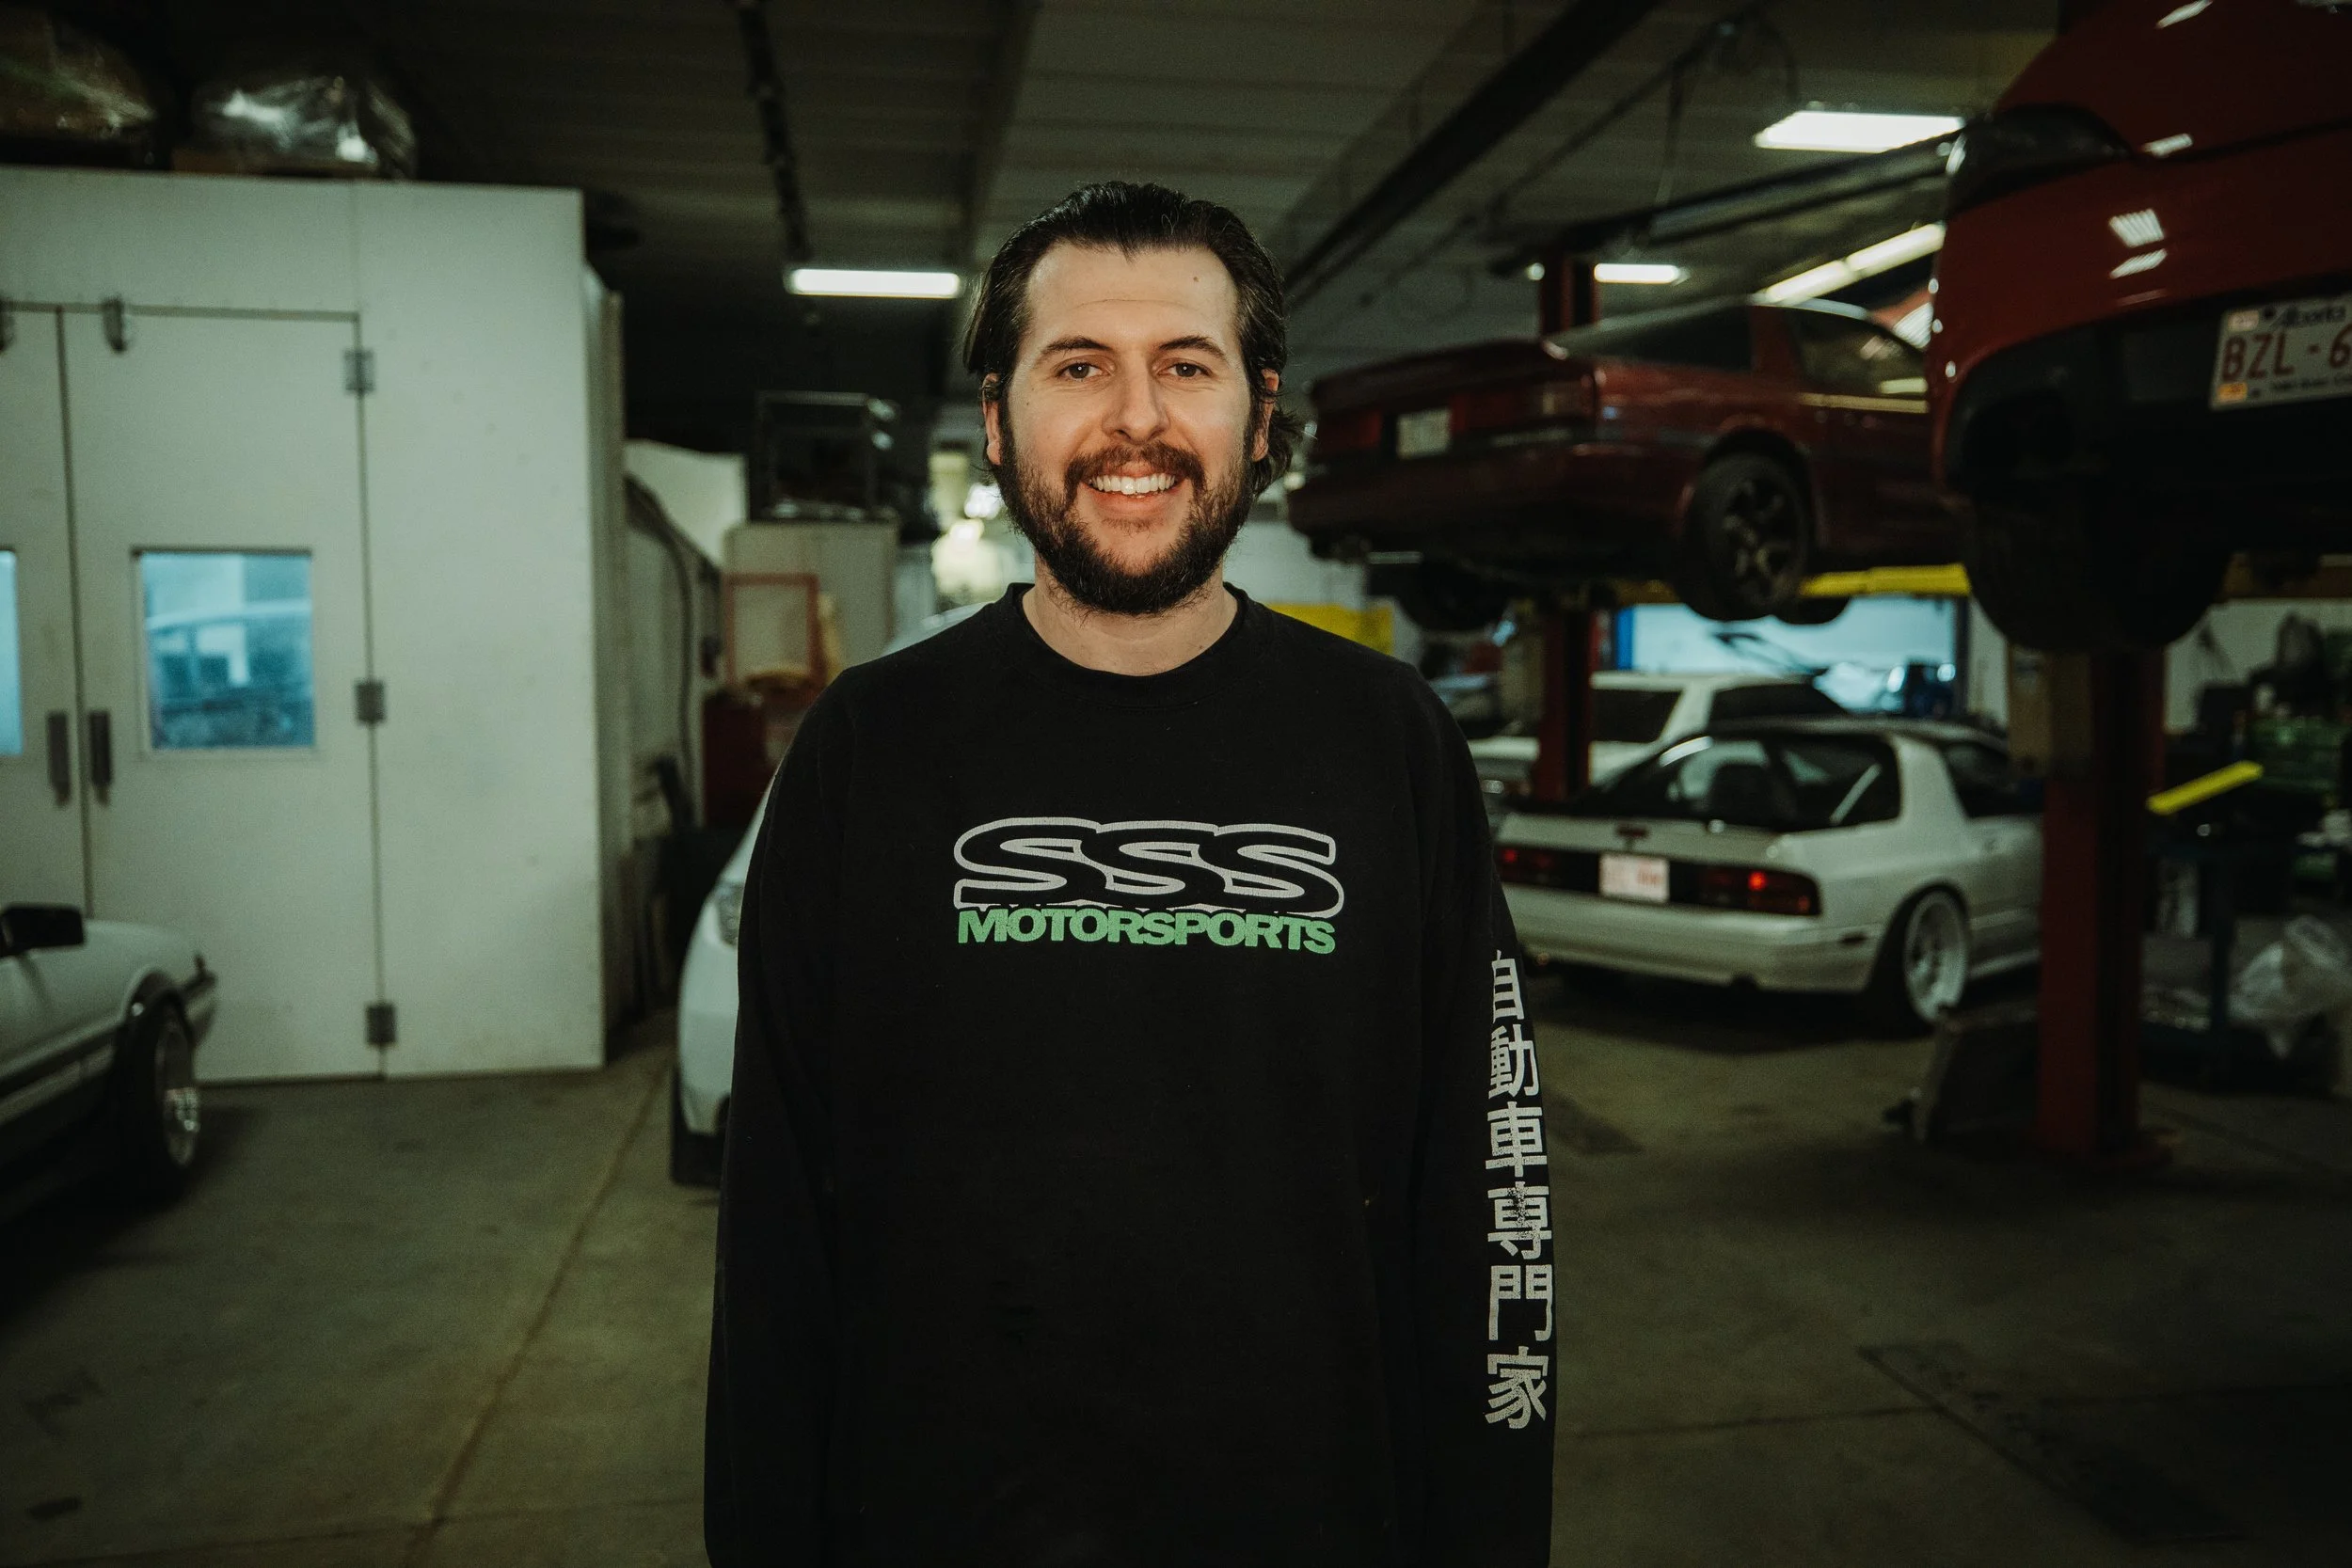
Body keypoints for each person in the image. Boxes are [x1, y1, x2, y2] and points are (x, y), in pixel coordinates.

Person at [706, 181, 1553, 1567]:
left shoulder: (1389, 744)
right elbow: (780, 1234)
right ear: (997, 419)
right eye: (1079, 365)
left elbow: (1492, 1200)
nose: (1137, 421)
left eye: (1187, 366)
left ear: (1260, 416)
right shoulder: (869, 750)